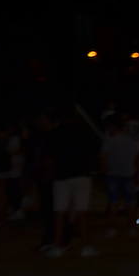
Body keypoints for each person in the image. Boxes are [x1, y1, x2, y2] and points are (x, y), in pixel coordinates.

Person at [44, 110, 99, 257]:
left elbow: (49, 158)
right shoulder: (84, 134)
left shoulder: (54, 134)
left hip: (62, 177)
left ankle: (58, 246)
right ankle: (85, 246)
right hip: (81, 175)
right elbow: (93, 153)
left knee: (60, 213)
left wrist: (50, 175)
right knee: (82, 212)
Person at [99, 117, 139, 233]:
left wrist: (103, 173)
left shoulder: (109, 140)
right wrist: (136, 174)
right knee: (130, 202)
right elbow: (136, 159)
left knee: (113, 202)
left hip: (113, 175)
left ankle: (111, 228)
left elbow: (103, 158)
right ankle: (131, 227)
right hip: (128, 174)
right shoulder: (132, 140)